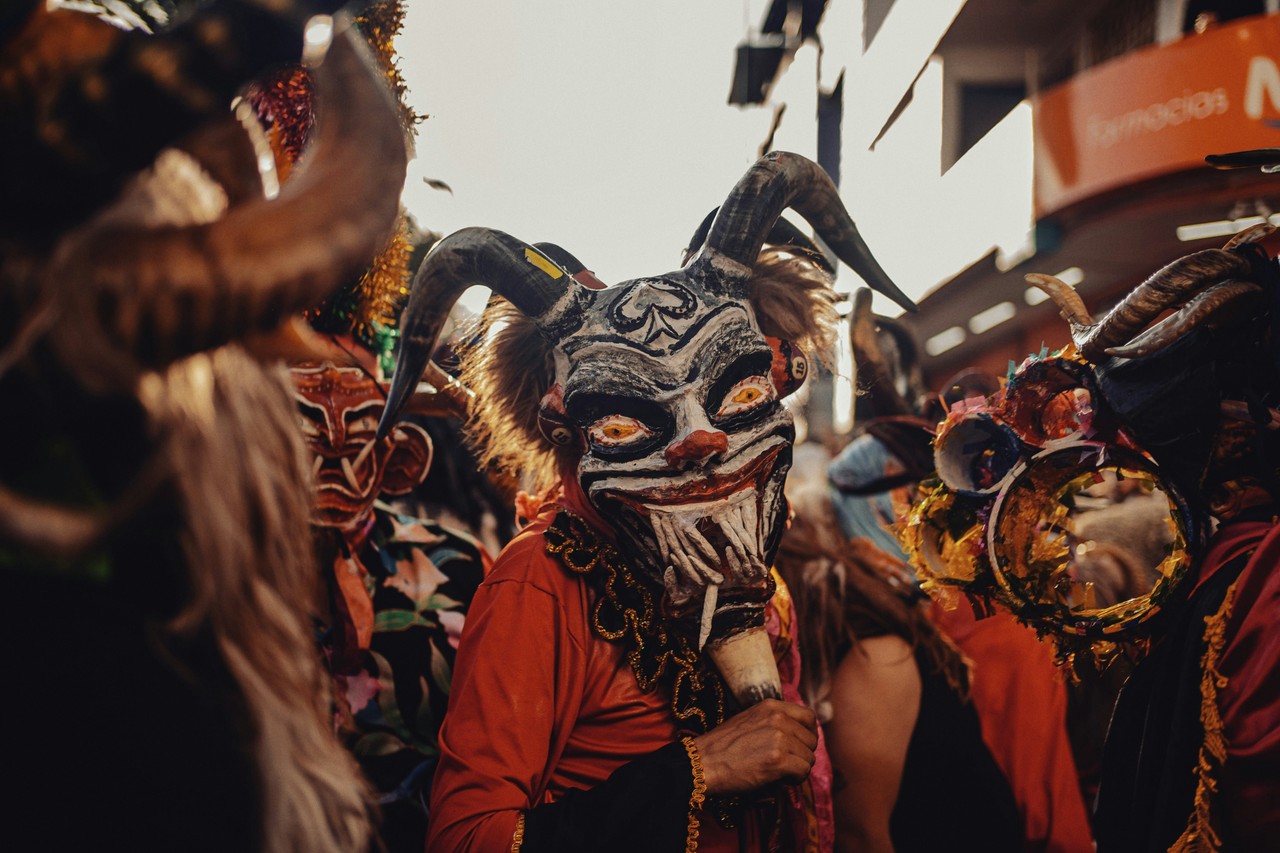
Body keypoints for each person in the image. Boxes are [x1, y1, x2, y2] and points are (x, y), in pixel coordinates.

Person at [371, 151, 918, 850]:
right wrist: (700, 770)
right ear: (565, 424)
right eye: (627, 421)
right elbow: (465, 837)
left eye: (743, 394)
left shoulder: (752, 563)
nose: (704, 441)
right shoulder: (539, 584)